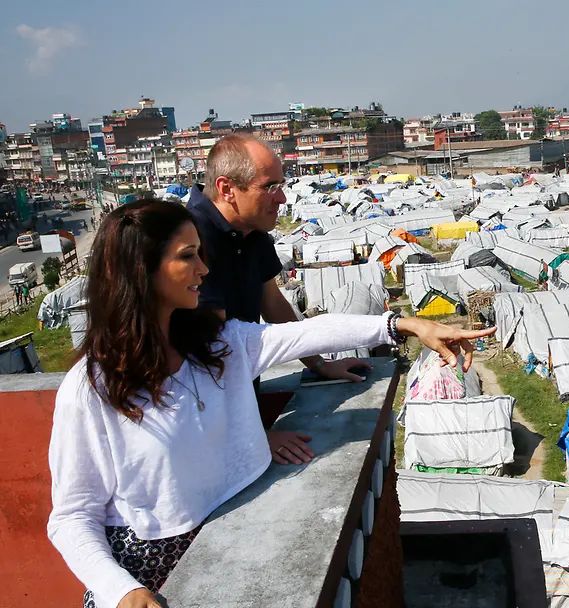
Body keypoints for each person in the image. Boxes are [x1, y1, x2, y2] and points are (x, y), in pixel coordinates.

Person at [47, 199, 493, 608]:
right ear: (140, 270)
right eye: (187, 256)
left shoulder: (219, 346)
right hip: (151, 575)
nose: (204, 269)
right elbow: (71, 516)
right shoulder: (93, 389)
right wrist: (121, 589)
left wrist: (405, 324)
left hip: (233, 542)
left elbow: (305, 333)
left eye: (201, 252)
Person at [189, 135, 373, 464]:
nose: (283, 198)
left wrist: (319, 364)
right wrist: (254, 435)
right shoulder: (193, 239)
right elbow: (209, 356)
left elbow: (272, 304)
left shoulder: (250, 231)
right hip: (202, 426)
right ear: (227, 189)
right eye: (270, 187)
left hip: (239, 404)